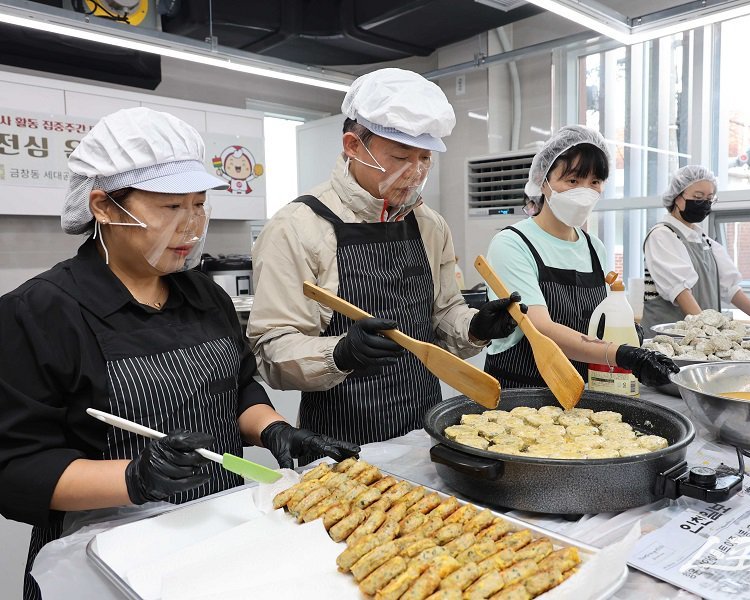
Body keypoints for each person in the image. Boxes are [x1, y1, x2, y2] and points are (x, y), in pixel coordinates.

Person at [0, 107, 358, 600]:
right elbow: (17, 468)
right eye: (171, 208)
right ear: (104, 207)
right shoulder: (39, 312)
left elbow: (237, 389)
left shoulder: (203, 294)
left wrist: (274, 429)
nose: (192, 227)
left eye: (198, 204)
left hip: (217, 536)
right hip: (107, 550)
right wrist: (135, 477)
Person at [248, 68, 519, 449]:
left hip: (422, 426)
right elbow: (272, 350)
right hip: (337, 437)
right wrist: (339, 352)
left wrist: (476, 326)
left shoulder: (429, 224)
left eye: (425, 158)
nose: (416, 173)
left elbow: (442, 314)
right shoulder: (297, 227)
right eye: (401, 156)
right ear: (353, 146)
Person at [483, 125, 678, 389]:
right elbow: (540, 328)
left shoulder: (594, 247)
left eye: (594, 182)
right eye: (573, 181)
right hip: (521, 392)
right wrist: (620, 354)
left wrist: (625, 331)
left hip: (583, 390)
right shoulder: (512, 244)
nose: (585, 192)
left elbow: (602, 317)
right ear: (543, 180)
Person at [642, 165, 750, 330]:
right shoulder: (661, 235)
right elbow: (680, 291)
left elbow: (731, 289)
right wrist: (709, 332)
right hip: (668, 340)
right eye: (698, 197)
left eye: (709, 199)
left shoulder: (705, 242)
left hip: (701, 341)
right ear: (677, 198)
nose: (704, 204)